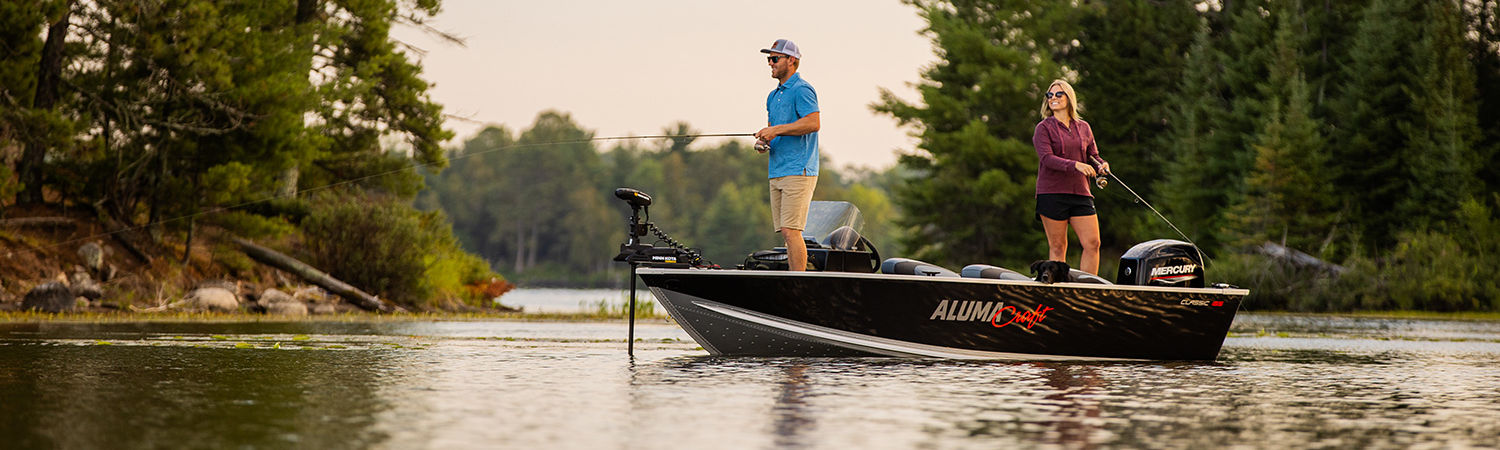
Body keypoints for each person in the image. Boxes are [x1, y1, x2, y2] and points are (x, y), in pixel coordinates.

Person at [754, 39, 821, 272]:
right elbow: (776, 130)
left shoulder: (802, 89)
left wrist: (776, 130)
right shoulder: (772, 97)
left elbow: (813, 123)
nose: (770, 63)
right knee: (786, 231)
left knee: (792, 230)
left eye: (775, 59)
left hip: (799, 169)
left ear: (791, 61)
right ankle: (795, 278)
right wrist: (765, 140)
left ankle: (799, 283)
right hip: (777, 169)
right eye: (768, 59)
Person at [1032, 79, 1110, 275]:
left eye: (1059, 94)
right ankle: (1059, 293)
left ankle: (1087, 291)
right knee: (1058, 247)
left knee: (1093, 243)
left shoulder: (1084, 127)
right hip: (1052, 193)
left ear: (1069, 98)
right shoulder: (1043, 128)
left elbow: (1093, 156)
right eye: (1050, 95)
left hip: (1080, 193)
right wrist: (1075, 165)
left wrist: (1101, 165)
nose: (1053, 98)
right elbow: (1047, 159)